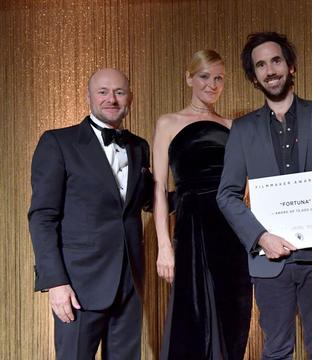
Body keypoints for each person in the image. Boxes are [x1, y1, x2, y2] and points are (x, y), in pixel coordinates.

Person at [217, 32, 312, 359]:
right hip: (270, 262)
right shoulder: (242, 130)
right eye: (261, 65)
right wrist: (260, 237)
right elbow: (227, 194)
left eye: (276, 60)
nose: (270, 70)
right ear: (254, 76)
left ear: (291, 66)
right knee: (277, 350)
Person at [28, 68, 152, 359]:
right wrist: (56, 282)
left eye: (119, 92)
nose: (112, 99)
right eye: (103, 92)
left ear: (130, 98)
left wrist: (200, 195)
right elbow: (42, 216)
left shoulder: (139, 146)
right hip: (79, 286)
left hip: (129, 281)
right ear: (88, 97)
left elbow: (145, 202)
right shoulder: (57, 142)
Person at [153, 50, 252, 360]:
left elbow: (244, 189)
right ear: (189, 78)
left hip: (230, 232)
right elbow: (159, 189)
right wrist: (164, 246)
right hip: (191, 228)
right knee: (191, 319)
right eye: (204, 76)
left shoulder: (234, 127)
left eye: (218, 78)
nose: (212, 84)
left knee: (232, 315)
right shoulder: (168, 123)